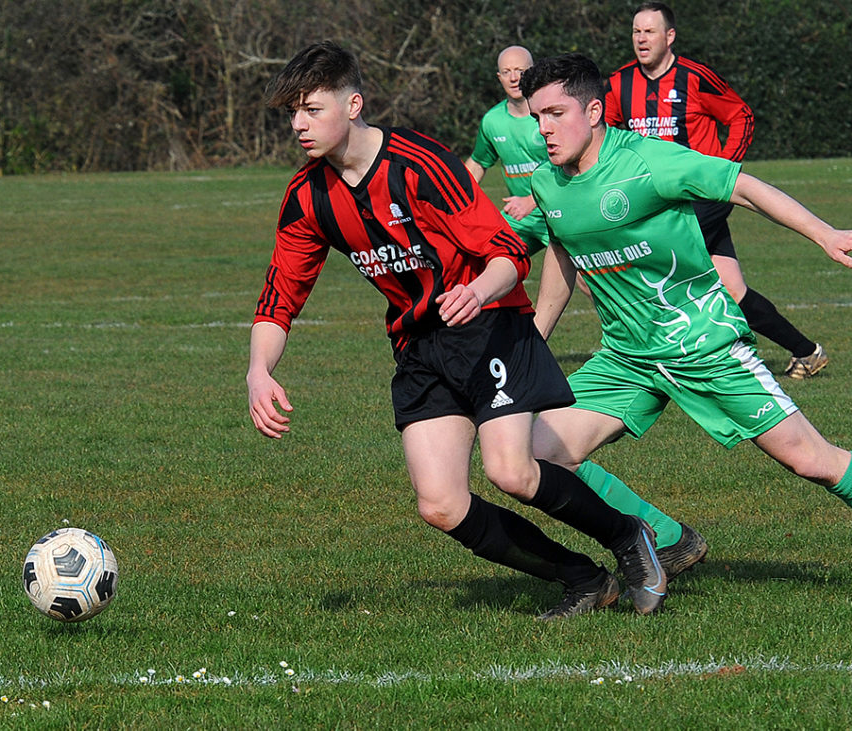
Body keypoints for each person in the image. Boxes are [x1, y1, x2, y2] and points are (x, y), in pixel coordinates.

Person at [518, 52, 852, 600]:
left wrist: (822, 231)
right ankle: (664, 537)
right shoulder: (548, 183)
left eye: (555, 113)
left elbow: (744, 187)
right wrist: (532, 343)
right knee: (537, 454)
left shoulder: (652, 161)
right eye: (536, 115)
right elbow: (562, 258)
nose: (544, 128)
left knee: (813, 460)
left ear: (593, 112)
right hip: (627, 357)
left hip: (702, 344)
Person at [245, 40, 667, 622]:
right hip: (419, 344)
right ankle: (583, 578)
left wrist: (477, 291)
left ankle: (629, 537)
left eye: (311, 109)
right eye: (292, 112)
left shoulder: (419, 164)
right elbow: (280, 296)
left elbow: (505, 252)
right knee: (441, 504)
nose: (298, 125)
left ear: (353, 104)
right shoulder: (307, 196)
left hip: (491, 324)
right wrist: (259, 369)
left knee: (510, 471)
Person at [604, 2, 827, 379]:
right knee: (733, 290)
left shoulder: (694, 77)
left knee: (648, 264)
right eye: (636, 32)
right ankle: (807, 352)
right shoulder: (618, 83)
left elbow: (740, 116)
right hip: (653, 200)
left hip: (701, 199)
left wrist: (723, 171)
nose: (641, 39)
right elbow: (607, 137)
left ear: (669, 36)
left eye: (650, 31)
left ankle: (663, 356)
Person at [464, 45, 551, 257]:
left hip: (557, 210)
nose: (514, 78)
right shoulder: (493, 121)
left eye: (520, 71)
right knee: (486, 264)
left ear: (533, 72)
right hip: (519, 215)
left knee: (585, 277)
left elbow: (572, 167)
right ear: (499, 77)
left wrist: (532, 200)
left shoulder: (551, 113)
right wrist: (452, 198)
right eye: (506, 72)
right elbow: (477, 163)